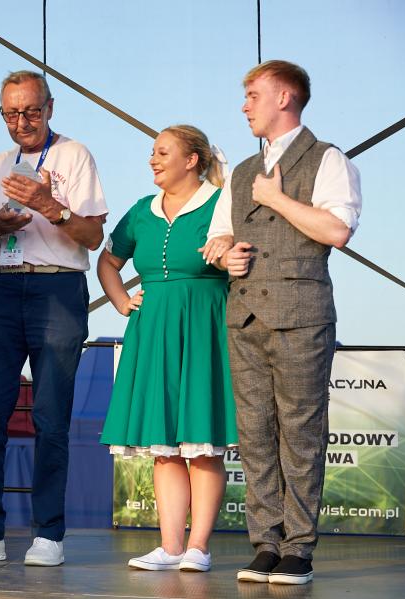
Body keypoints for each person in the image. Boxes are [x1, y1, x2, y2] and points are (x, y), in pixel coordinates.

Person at [206, 60, 362, 585]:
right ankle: (266, 544)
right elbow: (219, 237)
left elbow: (337, 230)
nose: (244, 105)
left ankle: (298, 547)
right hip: (245, 315)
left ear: (284, 97)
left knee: (300, 432)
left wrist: (276, 198)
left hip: (300, 315)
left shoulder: (327, 158)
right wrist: (224, 254)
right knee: (254, 434)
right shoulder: (242, 171)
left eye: (253, 95)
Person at [0, 70, 107, 567]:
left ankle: (48, 535)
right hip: (1, 287)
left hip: (57, 288)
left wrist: (48, 206)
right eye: (11, 113)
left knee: (50, 416)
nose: (22, 122)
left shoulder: (75, 155)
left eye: (32, 111)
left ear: (50, 108)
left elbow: (93, 236)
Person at [99, 125, 236, 573]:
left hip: (204, 326)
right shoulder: (143, 210)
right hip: (153, 327)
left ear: (192, 160)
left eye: (162, 153)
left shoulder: (220, 203)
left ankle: (199, 547)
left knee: (202, 443)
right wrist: (122, 301)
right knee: (165, 447)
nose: (152, 160)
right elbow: (108, 261)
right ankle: (171, 546)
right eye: (152, 153)